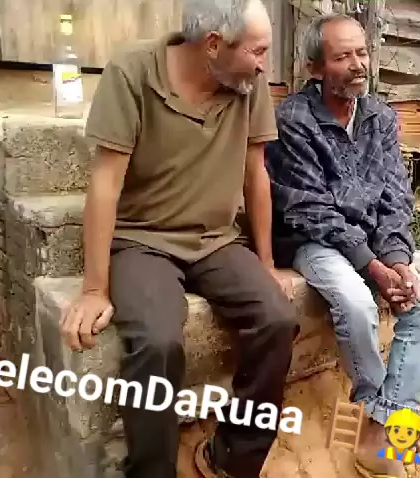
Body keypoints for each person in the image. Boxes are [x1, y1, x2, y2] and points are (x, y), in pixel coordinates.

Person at [58, 1, 299, 477]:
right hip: (142, 240)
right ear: (213, 44)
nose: (263, 64)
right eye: (257, 51)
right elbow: (105, 182)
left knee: (277, 319)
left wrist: (267, 263)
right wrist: (94, 288)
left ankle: (233, 458)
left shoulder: (247, 83)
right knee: (157, 342)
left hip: (217, 240)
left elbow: (256, 174)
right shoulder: (133, 71)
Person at [265, 14, 420, 478]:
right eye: (343, 56)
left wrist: (397, 260)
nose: (359, 64)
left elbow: (396, 197)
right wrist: (372, 266)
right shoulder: (293, 121)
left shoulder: (380, 118)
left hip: (373, 243)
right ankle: (379, 417)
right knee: (356, 302)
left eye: (362, 52)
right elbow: (310, 210)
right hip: (312, 241)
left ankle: (382, 424)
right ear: (314, 68)